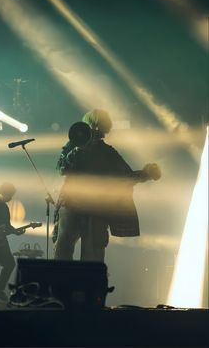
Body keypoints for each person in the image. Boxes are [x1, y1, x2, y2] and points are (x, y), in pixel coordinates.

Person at [53, 109, 161, 262]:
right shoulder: (77, 145)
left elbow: (124, 177)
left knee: (88, 254)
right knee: (68, 250)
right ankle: (65, 284)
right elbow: (62, 169)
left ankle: (83, 284)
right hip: (78, 205)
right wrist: (145, 174)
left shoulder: (106, 152)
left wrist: (145, 174)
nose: (96, 130)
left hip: (91, 207)